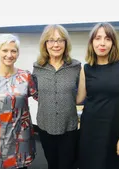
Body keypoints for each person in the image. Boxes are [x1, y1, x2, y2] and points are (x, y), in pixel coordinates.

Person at [77, 22, 119, 169]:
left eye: (107, 39)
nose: (102, 43)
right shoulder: (86, 68)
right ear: (92, 42)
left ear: (113, 43)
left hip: (113, 131)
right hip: (89, 130)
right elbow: (79, 99)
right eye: (98, 38)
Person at [0, 34, 37, 169]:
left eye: (13, 51)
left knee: (22, 166)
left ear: (18, 53)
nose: (9, 55)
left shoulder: (25, 77)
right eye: (5, 50)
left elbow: (40, 95)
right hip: (1, 136)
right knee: (4, 165)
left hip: (23, 134)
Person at [32, 24, 81, 169]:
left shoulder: (76, 67)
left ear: (66, 43)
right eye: (51, 40)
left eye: (60, 40)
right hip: (45, 125)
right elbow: (36, 93)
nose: (56, 44)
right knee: (52, 163)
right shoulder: (37, 67)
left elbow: (81, 94)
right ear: (45, 44)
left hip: (69, 127)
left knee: (67, 165)